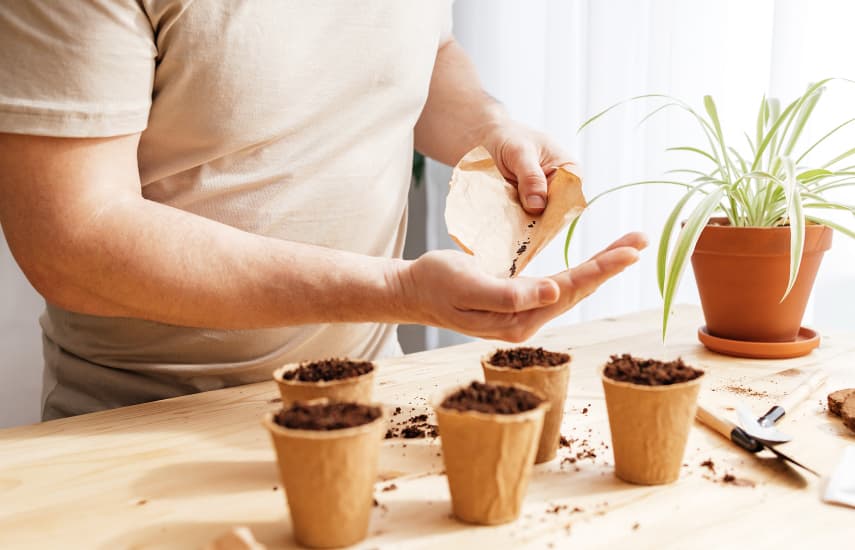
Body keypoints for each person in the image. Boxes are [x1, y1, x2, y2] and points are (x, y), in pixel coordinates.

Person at [0, 1, 646, 420]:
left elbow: (427, 49)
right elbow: (70, 242)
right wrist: (398, 291)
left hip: (372, 400)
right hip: (144, 423)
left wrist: (488, 130)